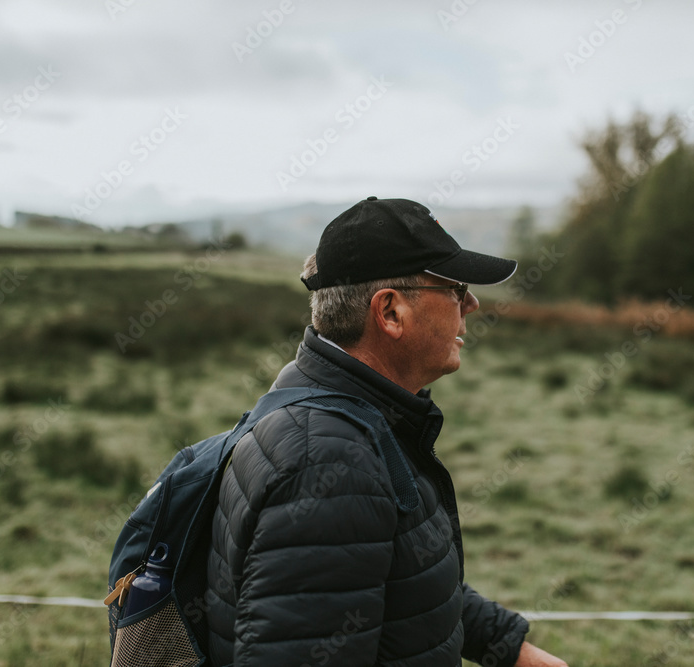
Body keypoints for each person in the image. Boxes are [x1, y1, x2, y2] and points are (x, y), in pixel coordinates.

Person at [205, 197, 568, 666]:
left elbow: (394, 575)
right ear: (391, 312)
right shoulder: (331, 465)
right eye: (456, 288)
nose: (472, 305)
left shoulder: (342, 413)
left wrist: (509, 648)